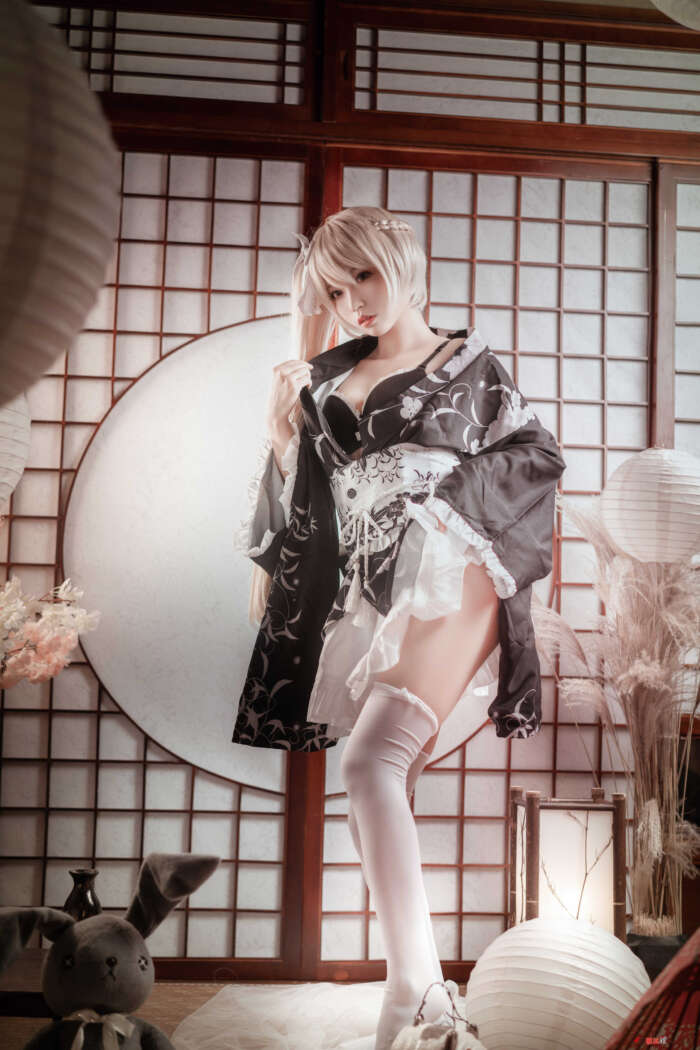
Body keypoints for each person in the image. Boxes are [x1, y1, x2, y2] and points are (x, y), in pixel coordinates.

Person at [233, 206, 566, 1050]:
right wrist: (280, 434)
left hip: (455, 564)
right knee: (380, 777)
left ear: (402, 263)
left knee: (369, 762)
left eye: (365, 276)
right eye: (335, 290)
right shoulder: (320, 383)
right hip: (376, 587)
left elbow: (537, 458)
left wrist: (444, 507)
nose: (354, 301)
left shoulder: (469, 364)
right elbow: (304, 512)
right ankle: (419, 996)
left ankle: (417, 995)